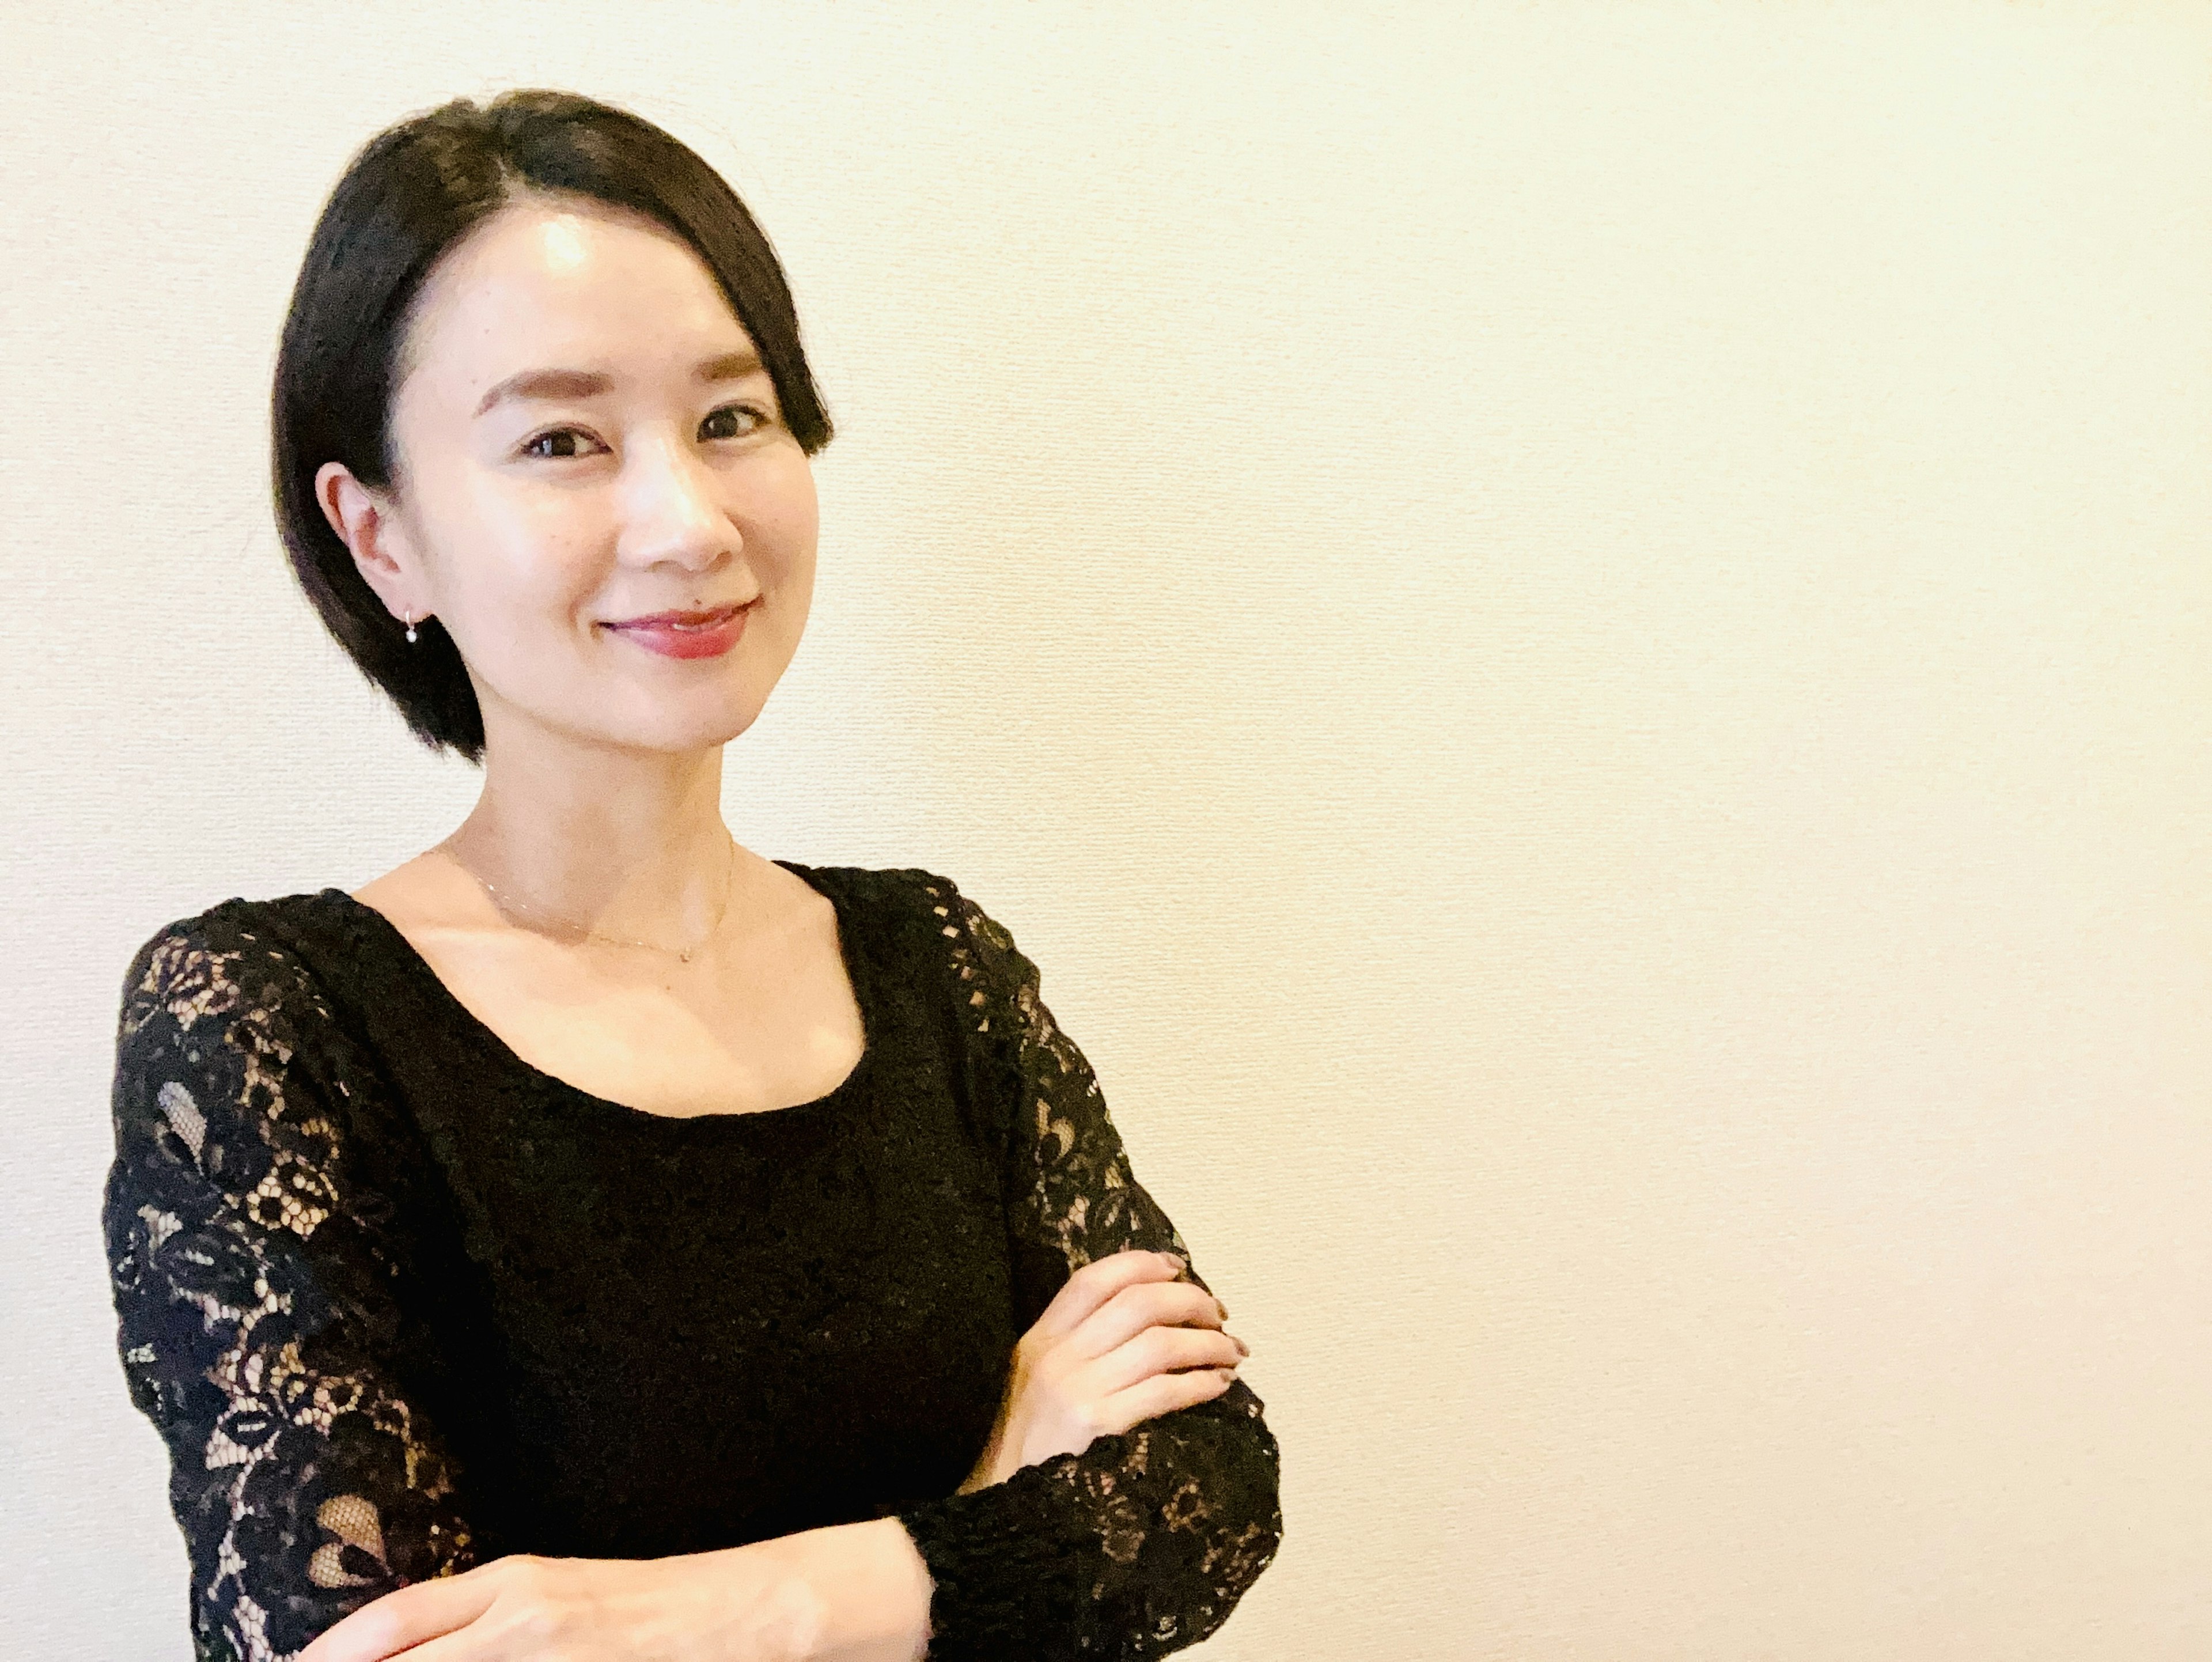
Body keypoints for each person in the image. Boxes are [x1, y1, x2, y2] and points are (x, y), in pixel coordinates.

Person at [101, 88, 1282, 1662]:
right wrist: (997, 1489)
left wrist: (688, 1614)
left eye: (733, 418)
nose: (688, 519)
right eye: (561, 441)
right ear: (380, 536)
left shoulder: (936, 965)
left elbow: (1204, 1493)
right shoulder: (271, 1027)